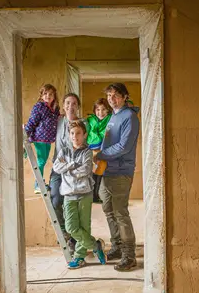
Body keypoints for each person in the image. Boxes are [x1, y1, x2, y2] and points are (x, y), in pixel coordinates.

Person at [94, 83, 140, 272]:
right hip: (107, 171)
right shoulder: (114, 116)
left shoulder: (129, 116)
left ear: (125, 97)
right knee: (108, 209)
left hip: (121, 171)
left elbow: (124, 146)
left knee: (120, 213)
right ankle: (118, 247)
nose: (112, 99)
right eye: (110, 95)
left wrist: (101, 154)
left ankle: (129, 256)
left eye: (116, 95)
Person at [52, 120, 106, 269]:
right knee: (71, 228)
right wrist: (72, 165)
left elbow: (86, 170)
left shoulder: (87, 151)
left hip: (84, 194)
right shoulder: (64, 151)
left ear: (84, 135)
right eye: (72, 133)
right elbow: (56, 167)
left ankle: (79, 257)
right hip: (68, 194)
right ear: (69, 135)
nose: (75, 136)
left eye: (78, 133)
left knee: (84, 227)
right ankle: (95, 245)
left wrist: (67, 169)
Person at [49, 92, 84, 255]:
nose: (71, 106)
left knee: (74, 204)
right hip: (58, 168)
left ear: (78, 107)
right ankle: (65, 233)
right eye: (68, 103)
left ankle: (75, 240)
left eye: (74, 103)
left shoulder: (83, 124)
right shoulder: (58, 121)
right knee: (55, 199)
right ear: (63, 106)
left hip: (75, 169)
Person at [24, 84, 60, 194]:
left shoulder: (55, 108)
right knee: (41, 161)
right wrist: (25, 134)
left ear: (54, 96)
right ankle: (38, 184)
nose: (48, 96)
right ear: (41, 95)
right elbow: (32, 121)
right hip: (39, 138)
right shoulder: (39, 106)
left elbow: (56, 120)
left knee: (43, 161)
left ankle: (39, 183)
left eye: (50, 94)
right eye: (45, 94)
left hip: (48, 140)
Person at [86, 98, 113, 203]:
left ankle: (95, 195)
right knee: (90, 172)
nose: (100, 112)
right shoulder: (90, 120)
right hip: (91, 149)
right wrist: (99, 136)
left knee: (99, 172)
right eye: (98, 109)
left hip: (103, 150)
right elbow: (90, 134)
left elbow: (108, 134)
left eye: (103, 109)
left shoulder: (111, 119)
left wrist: (100, 136)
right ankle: (90, 195)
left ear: (108, 110)